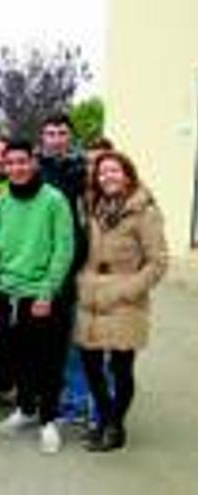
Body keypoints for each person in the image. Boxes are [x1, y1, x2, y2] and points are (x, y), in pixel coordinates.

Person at [0, 140, 74, 454]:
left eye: (23, 161)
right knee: (18, 359)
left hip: (43, 297)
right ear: (4, 167)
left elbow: (64, 249)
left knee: (48, 361)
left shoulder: (54, 200)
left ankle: (48, 420)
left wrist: (47, 291)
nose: (17, 168)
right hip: (9, 296)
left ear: (33, 162)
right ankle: (25, 410)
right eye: (11, 163)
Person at [76, 151, 167, 451]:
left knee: (120, 368)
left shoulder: (144, 211)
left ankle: (115, 427)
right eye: (102, 173)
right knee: (90, 364)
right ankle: (105, 418)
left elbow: (158, 262)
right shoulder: (96, 206)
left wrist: (128, 290)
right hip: (91, 296)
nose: (107, 177)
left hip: (124, 300)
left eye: (114, 171)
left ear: (127, 173)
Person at [37, 113, 90, 425]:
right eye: (50, 133)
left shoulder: (83, 170)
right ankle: (45, 398)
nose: (55, 138)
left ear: (69, 136)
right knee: (44, 339)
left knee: (72, 338)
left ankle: (78, 400)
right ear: (42, 137)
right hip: (40, 264)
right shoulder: (34, 169)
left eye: (61, 133)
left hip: (74, 263)